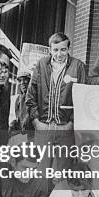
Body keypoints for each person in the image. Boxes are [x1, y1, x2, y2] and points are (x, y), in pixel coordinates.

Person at [25, 32, 86, 170]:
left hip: (65, 128)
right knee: (41, 171)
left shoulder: (78, 66)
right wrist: (36, 121)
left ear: (68, 49)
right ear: (50, 50)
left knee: (63, 172)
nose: (59, 54)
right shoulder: (41, 64)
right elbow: (31, 95)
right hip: (44, 126)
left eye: (63, 49)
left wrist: (71, 123)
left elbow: (82, 98)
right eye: (55, 50)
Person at [9, 70, 32, 142]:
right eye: (20, 80)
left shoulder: (36, 97)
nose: (22, 83)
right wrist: (14, 124)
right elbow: (19, 117)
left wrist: (27, 120)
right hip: (23, 136)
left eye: (25, 80)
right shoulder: (18, 99)